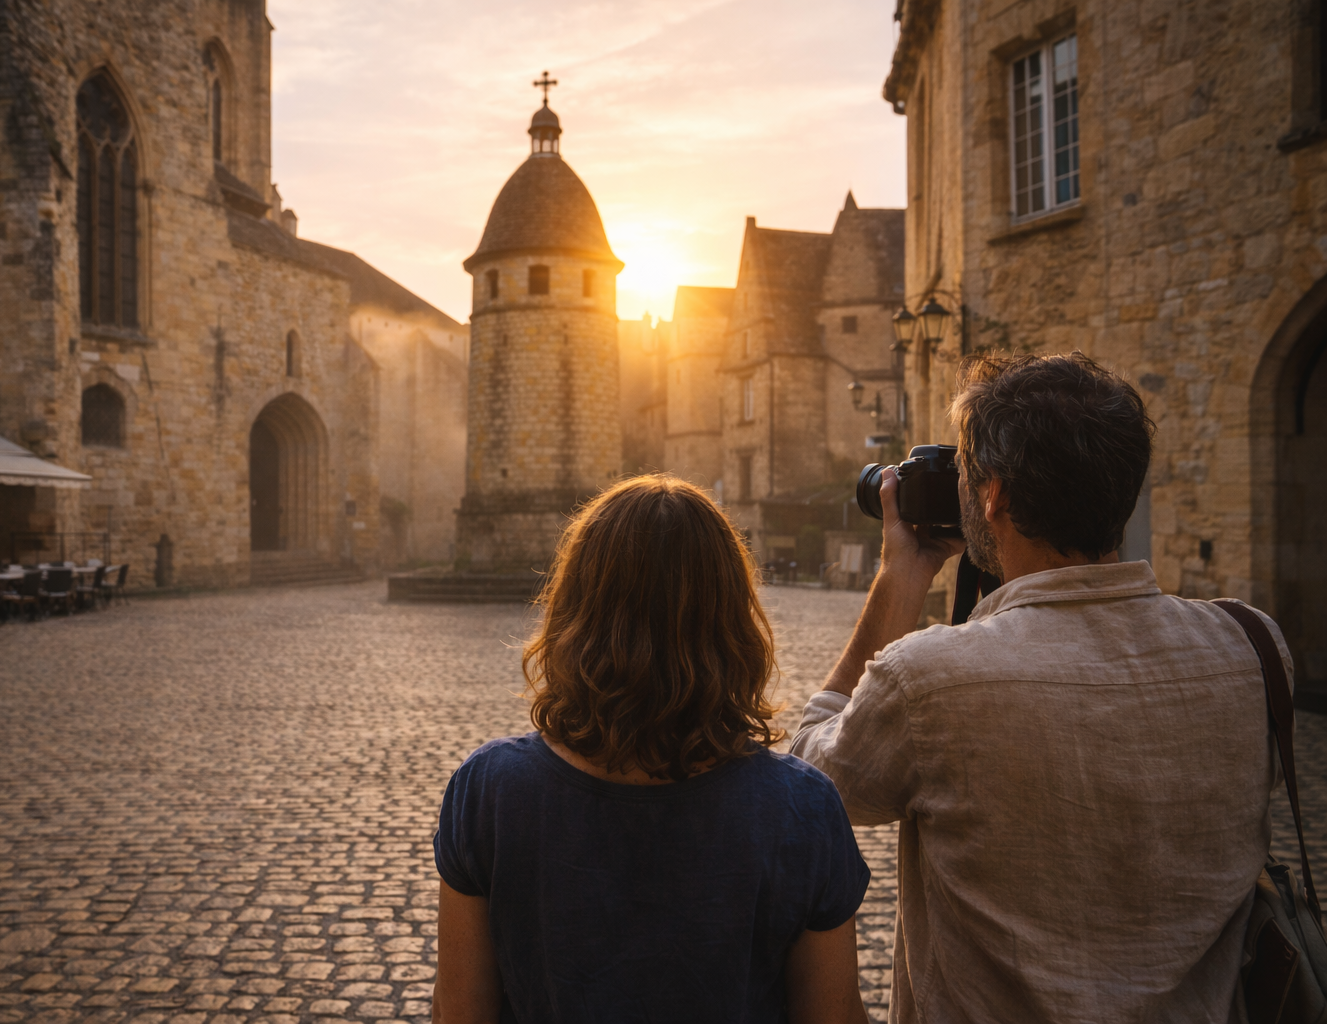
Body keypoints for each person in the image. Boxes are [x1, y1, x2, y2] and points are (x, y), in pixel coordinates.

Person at [791, 353, 1291, 1023]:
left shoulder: (929, 682)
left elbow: (805, 789)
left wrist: (899, 579)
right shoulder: (1255, 648)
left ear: (993, 495)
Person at [432, 475, 872, 1024]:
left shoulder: (489, 791)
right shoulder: (800, 808)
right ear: (734, 618)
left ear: (573, 609)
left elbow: (459, 1013)